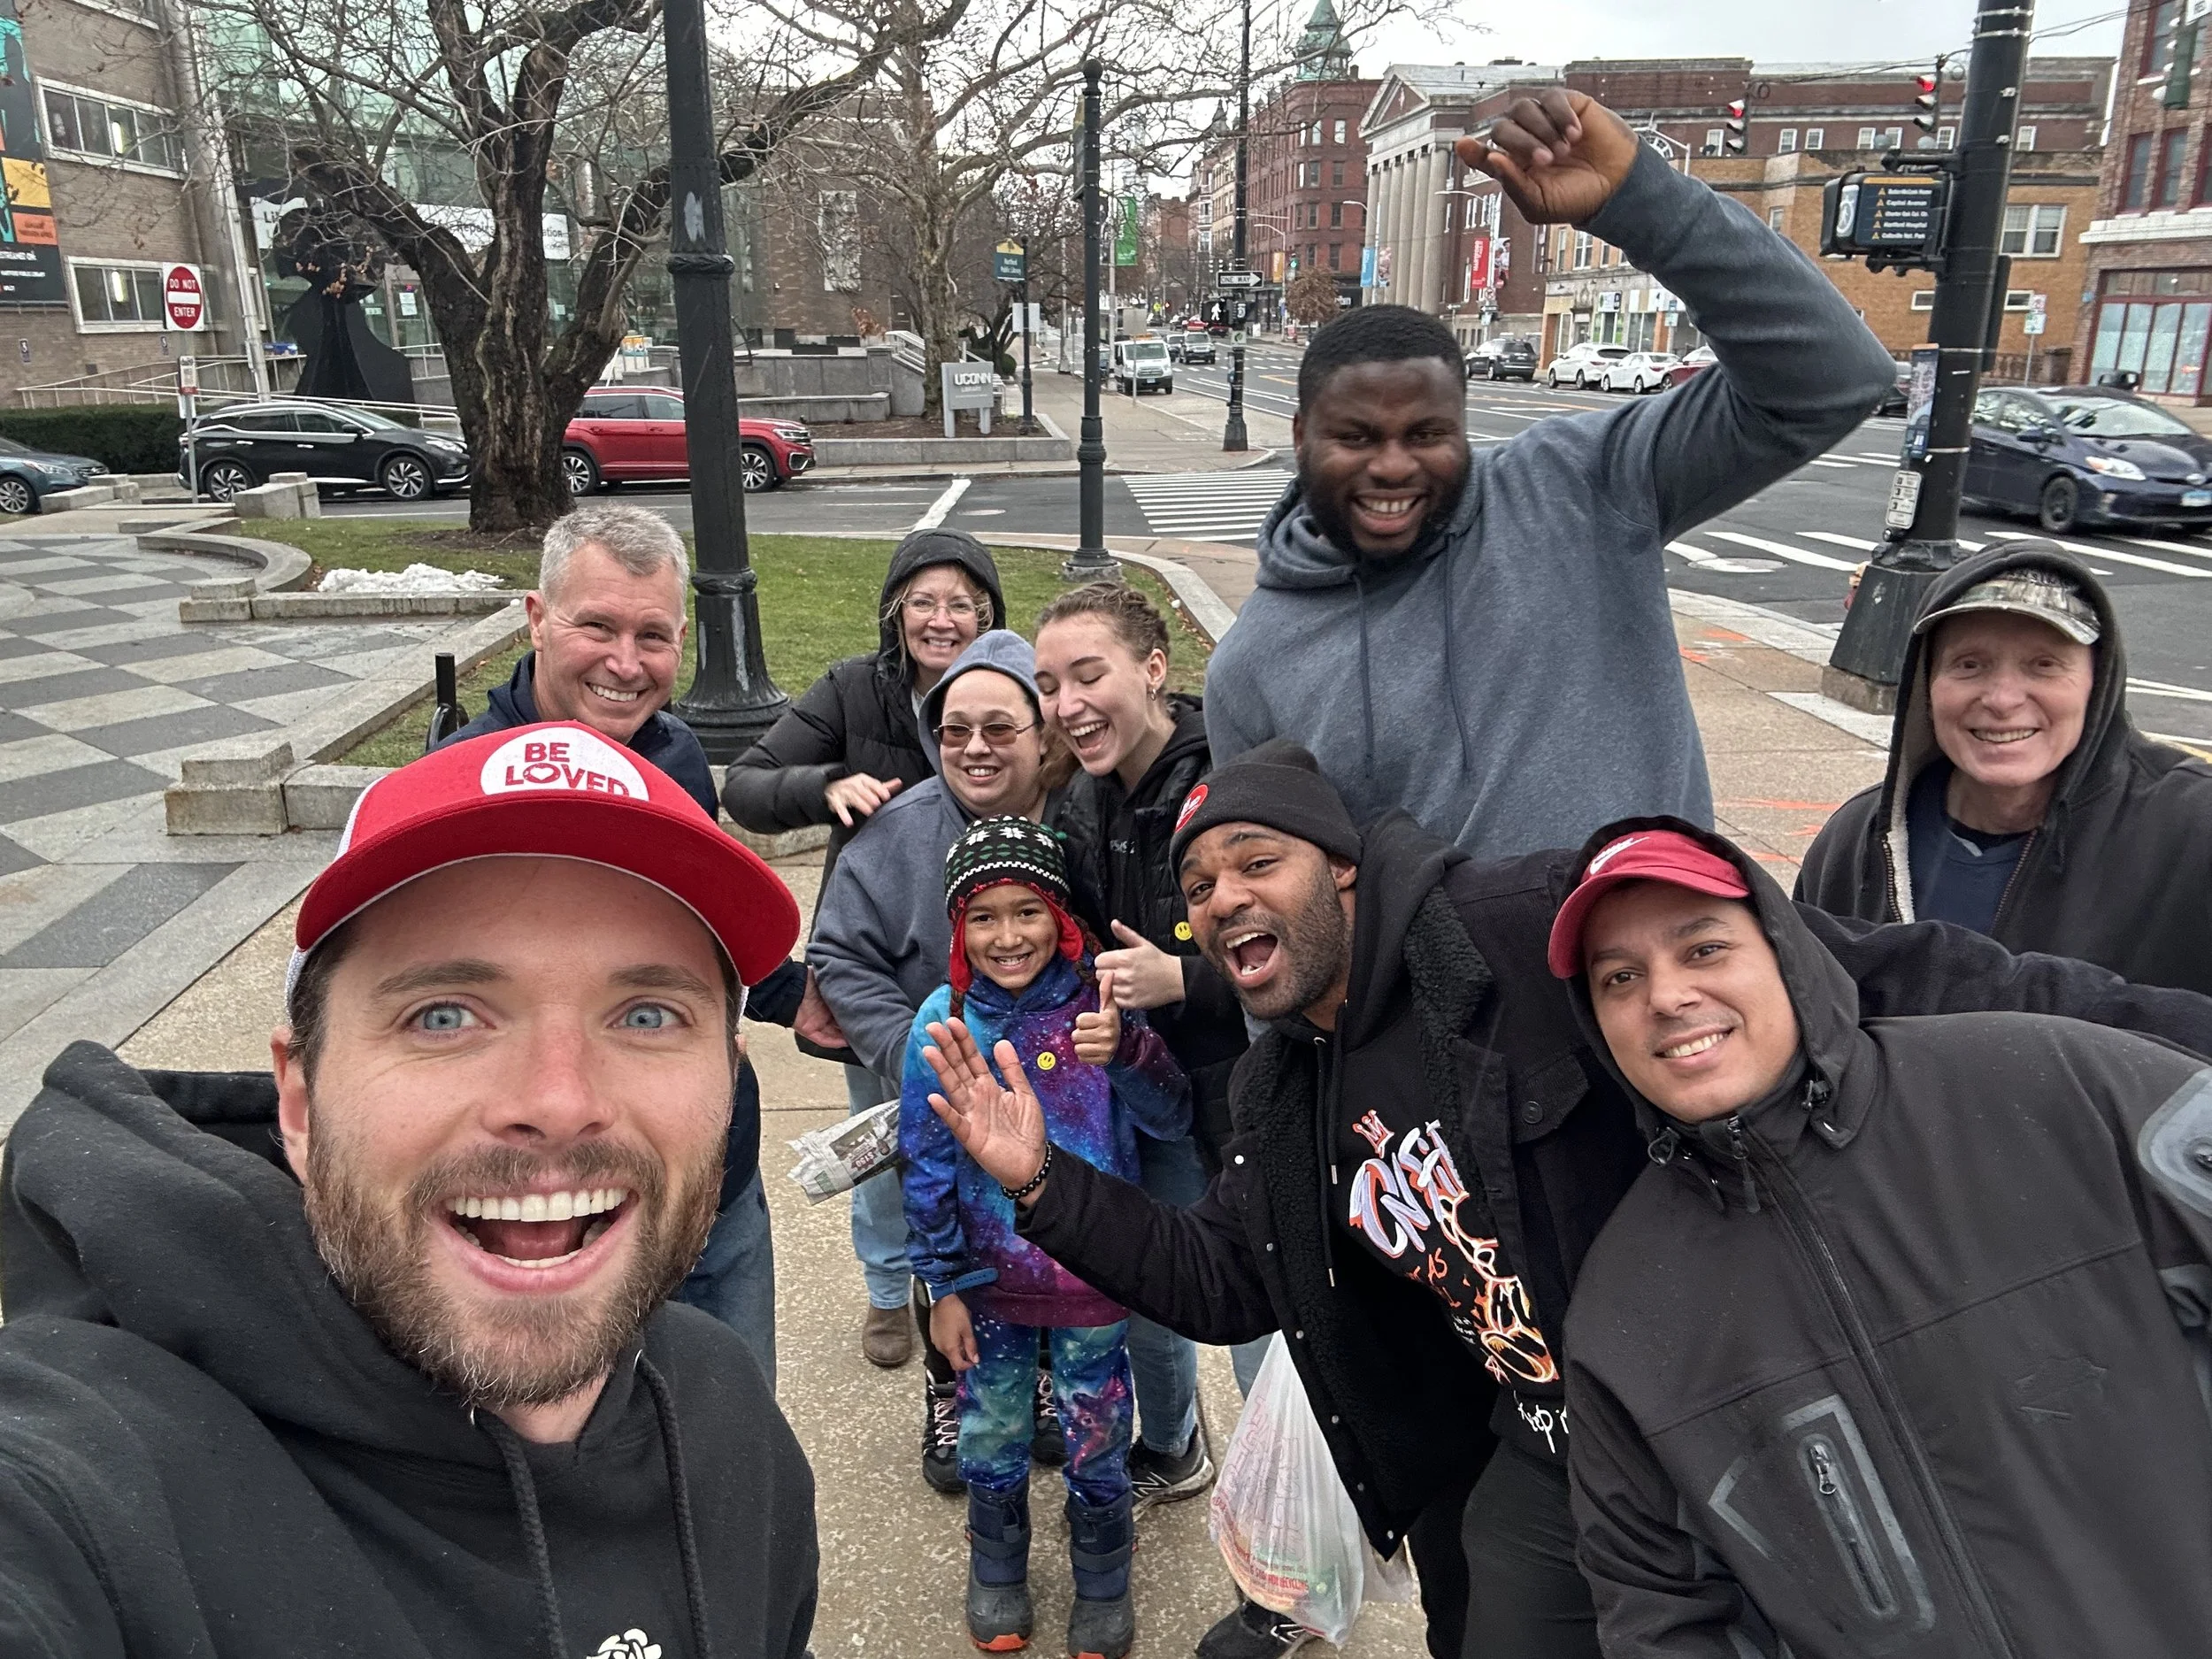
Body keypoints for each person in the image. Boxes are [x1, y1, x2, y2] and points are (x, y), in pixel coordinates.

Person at [916, 741, 2212, 1659]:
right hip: (1542, 1444)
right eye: (1197, 889)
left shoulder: (1513, 928)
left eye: (1257, 859)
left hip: (1731, 1383)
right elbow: (1221, 1280)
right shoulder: (1273, 1098)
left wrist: (2175, 1045)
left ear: (1348, 871)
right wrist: (1039, 1178)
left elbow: (1886, 971)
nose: (1221, 896)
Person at [0, 721, 817, 1656]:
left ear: (728, 1083)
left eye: (645, 1014)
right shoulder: (91, 1483)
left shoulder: (731, 1424)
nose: (557, 1102)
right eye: (442, 1015)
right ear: (300, 1102)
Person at [1550, 819, 2212, 1658]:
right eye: (1620, 976)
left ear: (1787, 952)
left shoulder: (2048, 1087)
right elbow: (1661, 1610)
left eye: (1705, 948)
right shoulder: (1624, 1312)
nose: (1667, 994)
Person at [1202, 89, 1897, 858]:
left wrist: (1643, 201)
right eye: (1357, 437)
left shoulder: (1578, 485)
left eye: (1429, 433)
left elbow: (1833, 377)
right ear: (1301, 437)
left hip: (1654, 970)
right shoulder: (1251, 670)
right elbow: (1277, 897)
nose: (1394, 465)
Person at [437, 501, 831, 1384]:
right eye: (597, 627)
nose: (626, 664)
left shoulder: (678, 759)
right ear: (537, 620)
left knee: (734, 1427)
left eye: (652, 636)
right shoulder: (456, 793)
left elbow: (708, 936)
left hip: (707, 1184)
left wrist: (794, 993)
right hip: (551, 1207)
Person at [904, 817, 1189, 1658]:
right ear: (959, 927)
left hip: (1094, 1276)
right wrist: (944, 1285)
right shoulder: (942, 1020)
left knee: (1097, 1427)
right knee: (989, 1428)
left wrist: (1132, 1051)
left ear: (1058, 915)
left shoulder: (1102, 1005)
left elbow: (1171, 1118)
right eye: (982, 916)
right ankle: (997, 1568)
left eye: (1024, 911)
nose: (1006, 935)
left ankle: (1104, 1574)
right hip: (987, 1284)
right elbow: (922, 1165)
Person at [725, 527, 1006, 1367]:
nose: (941, 619)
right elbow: (745, 783)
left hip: (1001, 951)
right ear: (895, 611)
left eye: (962, 602)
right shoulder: (854, 690)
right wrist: (823, 785)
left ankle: (986, 1280)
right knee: (887, 1137)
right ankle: (891, 1289)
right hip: (886, 959)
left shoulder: (1007, 689)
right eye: (923, 600)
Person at [809, 629, 1068, 1492]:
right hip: (944, 1097)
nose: (974, 748)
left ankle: (1039, 1387)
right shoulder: (894, 834)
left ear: (1042, 732)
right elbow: (840, 952)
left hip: (1062, 1092)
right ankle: (951, 1391)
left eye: (999, 727)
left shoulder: (1086, 820)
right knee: (943, 1242)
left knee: (1049, 1240)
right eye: (954, 730)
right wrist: (913, 1051)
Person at [1036, 582, 1255, 1517]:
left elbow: (1303, 929)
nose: (1068, 704)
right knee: (1156, 1280)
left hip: (1245, 1092)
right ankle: (1170, 1446)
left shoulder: (1226, 778)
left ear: (1153, 669)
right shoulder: (1083, 799)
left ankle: (1299, 1540)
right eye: (1049, 684)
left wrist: (1186, 979)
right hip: (1142, 1091)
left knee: (1262, 1318)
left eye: (1089, 674)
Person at [1797, 540, 2212, 995]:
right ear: (1926, 685)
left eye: (2044, 665)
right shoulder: (1857, 840)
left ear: (2099, 682)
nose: (2002, 700)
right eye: (1969, 664)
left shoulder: (2192, 832)